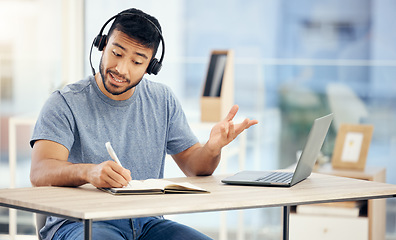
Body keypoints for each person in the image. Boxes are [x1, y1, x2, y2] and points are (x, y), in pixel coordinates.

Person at [30, 8, 258, 240]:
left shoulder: (162, 100)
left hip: (147, 222)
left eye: (137, 61)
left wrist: (212, 148)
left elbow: (195, 167)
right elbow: (40, 171)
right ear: (102, 45)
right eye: (116, 53)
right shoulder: (65, 102)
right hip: (81, 222)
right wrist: (89, 172)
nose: (121, 69)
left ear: (151, 67)